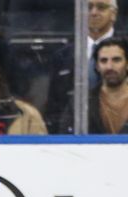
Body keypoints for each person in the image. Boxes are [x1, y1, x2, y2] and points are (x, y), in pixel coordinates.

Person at [46, 0, 120, 132]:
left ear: (114, 14)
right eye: (88, 7)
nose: (93, 12)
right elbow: (54, 105)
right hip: (71, 138)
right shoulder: (62, 55)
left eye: (101, 7)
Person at [62, 37, 128, 134]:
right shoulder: (80, 103)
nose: (109, 67)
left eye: (116, 60)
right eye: (103, 61)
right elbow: (65, 141)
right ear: (97, 66)